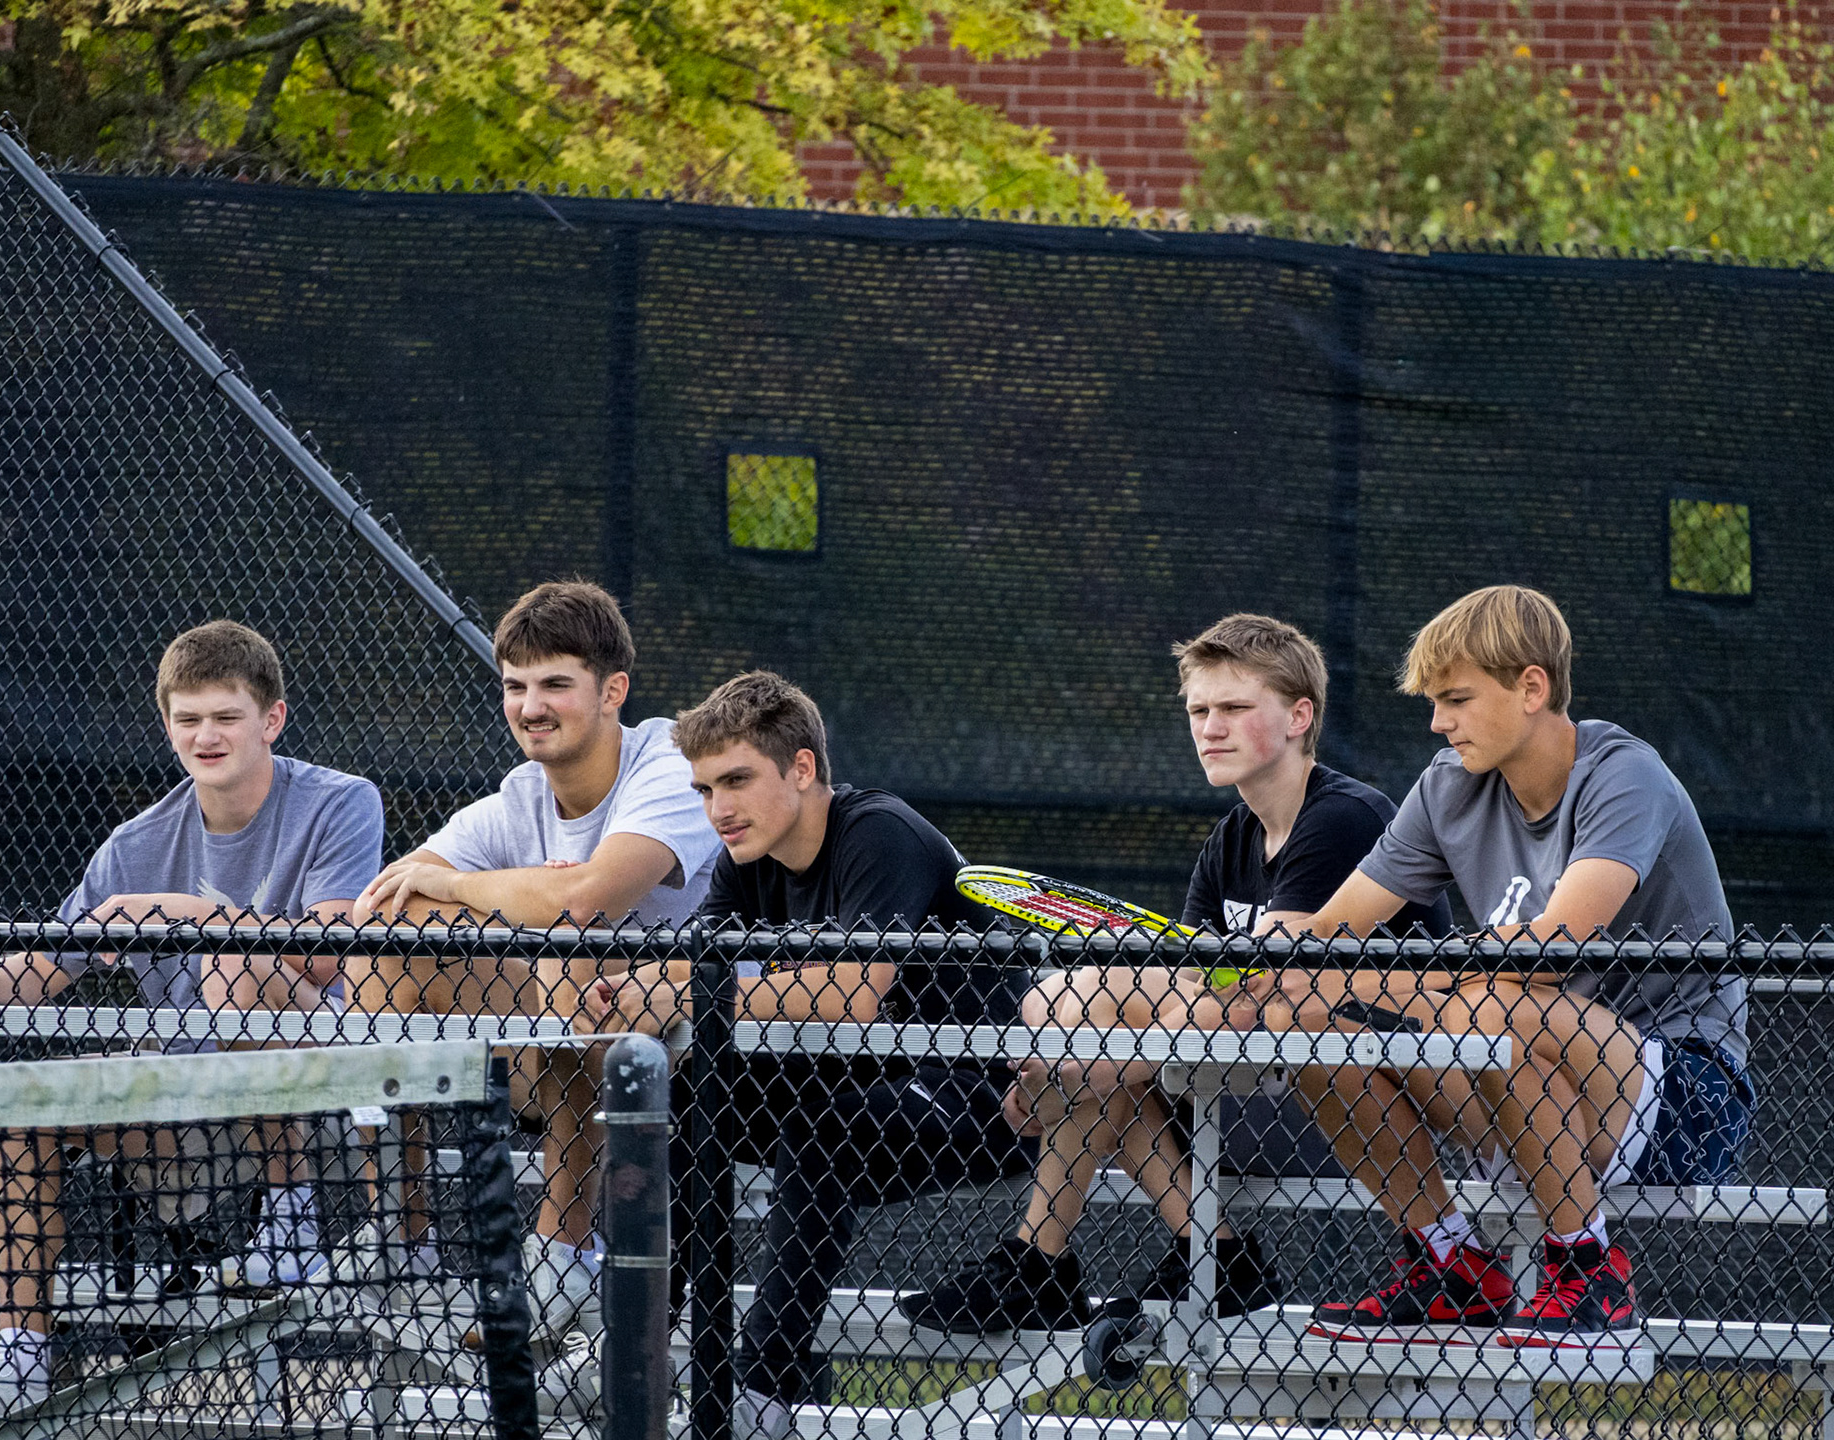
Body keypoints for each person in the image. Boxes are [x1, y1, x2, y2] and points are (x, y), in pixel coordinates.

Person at [900, 614, 1449, 1333]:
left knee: (1098, 1027)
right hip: (1235, 1085)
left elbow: (1258, 996)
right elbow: (1194, 987)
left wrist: (1071, 1070)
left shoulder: (1345, 818)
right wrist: (1089, 1053)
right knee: (1086, 1007)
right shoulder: (1232, 835)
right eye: (1198, 710)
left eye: (1233, 708)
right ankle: (1187, 1256)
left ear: (1298, 716)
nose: (1209, 728)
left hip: (1356, 1106)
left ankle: (1061, 1266)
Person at [1250, 585, 1753, 1347]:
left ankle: (1587, 1271)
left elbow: (1552, 955)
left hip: (1684, 1098)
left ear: (1531, 687)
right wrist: (1280, 956)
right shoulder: (1447, 785)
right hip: (1519, 1081)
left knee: (1491, 1008)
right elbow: (1328, 937)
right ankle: (1449, 1261)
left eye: (1455, 698)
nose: (1437, 722)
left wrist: (1360, 975)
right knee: (1307, 1020)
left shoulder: (1625, 774)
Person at [0, 621, 385, 1422]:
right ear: (166, 723)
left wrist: (190, 914)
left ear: (270, 719)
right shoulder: (133, 843)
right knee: (18, 1111)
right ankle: (22, 1356)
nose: (206, 735)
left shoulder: (342, 802)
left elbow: (322, 959)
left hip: (321, 1098)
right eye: (188, 718)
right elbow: (50, 966)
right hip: (183, 1111)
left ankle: (291, 1222)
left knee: (232, 965)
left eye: (226, 717)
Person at [584, 670, 1033, 1440]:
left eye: (736, 780)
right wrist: (630, 991)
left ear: (801, 768)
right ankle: (634, 1337)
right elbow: (700, 969)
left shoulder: (878, 831)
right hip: (855, 1089)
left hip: (981, 1093)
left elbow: (855, 992)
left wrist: (680, 993)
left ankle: (762, 1385)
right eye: (702, 789)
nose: (718, 809)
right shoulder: (744, 856)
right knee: (687, 1100)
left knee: (822, 1130)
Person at [347, 579, 721, 1347]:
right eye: (515, 686)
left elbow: (584, 899)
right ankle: (403, 1235)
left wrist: (459, 887)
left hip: (697, 1049)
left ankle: (563, 1248)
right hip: (559, 1040)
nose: (530, 706)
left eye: (555, 684)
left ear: (613, 689)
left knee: (574, 948)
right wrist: (511, 901)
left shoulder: (671, 762)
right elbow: (380, 902)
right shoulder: (519, 796)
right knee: (389, 953)